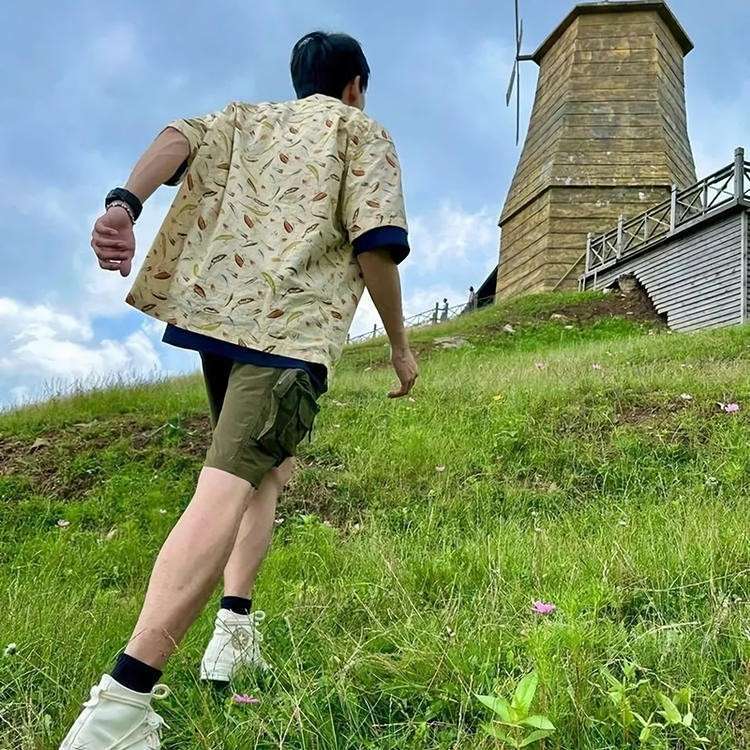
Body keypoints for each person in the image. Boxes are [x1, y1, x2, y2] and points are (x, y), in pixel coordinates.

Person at [61, 30, 418, 749]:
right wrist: (400, 346)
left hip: (218, 321)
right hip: (289, 332)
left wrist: (124, 203)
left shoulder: (243, 117)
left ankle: (233, 630)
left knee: (266, 472)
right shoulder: (361, 131)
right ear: (355, 85)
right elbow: (375, 245)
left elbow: (176, 136)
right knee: (225, 486)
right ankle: (120, 708)